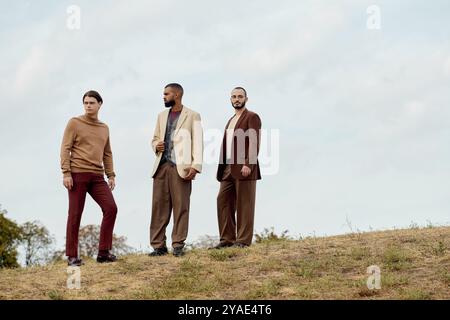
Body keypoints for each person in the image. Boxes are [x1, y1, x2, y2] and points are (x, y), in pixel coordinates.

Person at [60, 90, 118, 266]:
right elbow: (65, 148)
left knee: (111, 208)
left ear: (100, 104)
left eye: (92, 102)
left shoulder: (104, 128)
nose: (88, 105)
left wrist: (111, 174)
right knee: (75, 214)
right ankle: (72, 256)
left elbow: (107, 153)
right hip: (77, 174)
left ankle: (103, 252)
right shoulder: (75, 123)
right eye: (85, 102)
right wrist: (66, 172)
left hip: (98, 176)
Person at [149, 83, 203, 257]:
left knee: (181, 207)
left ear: (177, 94)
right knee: (158, 207)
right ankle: (158, 246)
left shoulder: (193, 115)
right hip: (161, 166)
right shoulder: (161, 115)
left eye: (166, 94)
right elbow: (154, 139)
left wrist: (196, 166)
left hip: (182, 168)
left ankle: (178, 245)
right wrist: (156, 145)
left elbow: (198, 142)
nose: (163, 96)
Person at [214, 87, 262, 249]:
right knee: (223, 200)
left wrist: (249, 164)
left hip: (244, 167)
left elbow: (254, 142)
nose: (237, 99)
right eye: (234, 96)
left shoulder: (252, 117)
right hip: (227, 167)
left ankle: (242, 241)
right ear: (230, 99)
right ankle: (227, 239)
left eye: (240, 96)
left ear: (246, 99)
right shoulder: (230, 119)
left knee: (245, 204)